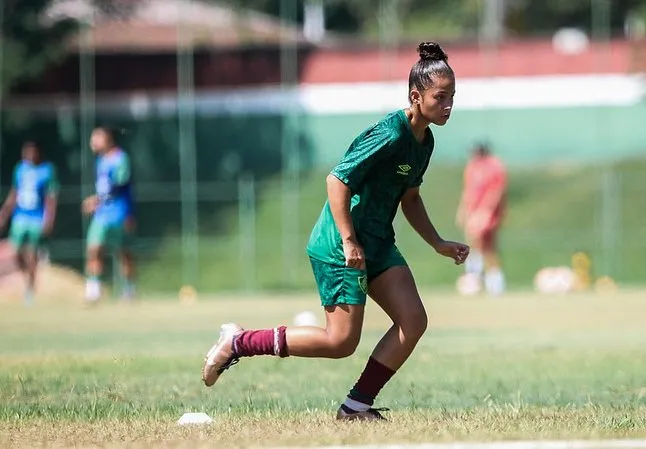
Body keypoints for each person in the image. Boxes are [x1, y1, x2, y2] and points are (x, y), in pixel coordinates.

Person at [202, 42, 469, 421]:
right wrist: (348, 239)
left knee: (413, 320)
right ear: (415, 95)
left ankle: (356, 407)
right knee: (340, 341)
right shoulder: (389, 133)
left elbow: (410, 198)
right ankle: (238, 342)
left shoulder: (424, 141)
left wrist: (438, 243)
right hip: (341, 244)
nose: (448, 105)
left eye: (452, 97)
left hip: (376, 244)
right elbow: (337, 181)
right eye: (441, 97)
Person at [82, 126, 136, 303]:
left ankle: (129, 289)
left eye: (97, 138)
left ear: (108, 139)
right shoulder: (100, 160)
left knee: (123, 253)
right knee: (94, 248)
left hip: (119, 213)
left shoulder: (120, 158)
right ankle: (93, 290)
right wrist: (98, 202)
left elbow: (120, 185)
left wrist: (96, 200)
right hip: (101, 215)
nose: (93, 142)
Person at [0, 141, 59, 306]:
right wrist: (4, 213)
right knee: (16, 251)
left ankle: (30, 290)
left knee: (32, 253)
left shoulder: (47, 170)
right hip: (20, 216)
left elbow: (51, 197)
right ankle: (27, 274)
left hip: (36, 217)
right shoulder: (20, 169)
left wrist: (49, 219)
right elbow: (15, 192)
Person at [455, 143, 507, 296]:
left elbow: (497, 191)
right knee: (474, 243)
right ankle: (475, 278)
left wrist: (487, 211)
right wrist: (463, 210)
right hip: (474, 211)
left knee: (487, 246)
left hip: (488, 213)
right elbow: (468, 191)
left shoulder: (495, 166)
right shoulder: (472, 167)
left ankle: (493, 283)